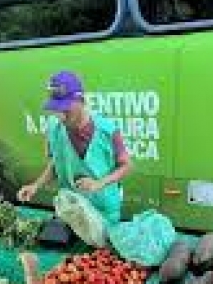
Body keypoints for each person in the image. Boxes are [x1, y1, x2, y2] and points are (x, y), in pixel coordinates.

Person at [17, 71, 132, 225]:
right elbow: (55, 163)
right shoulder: (54, 127)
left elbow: (126, 165)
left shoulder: (107, 130)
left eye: (65, 110)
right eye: (56, 110)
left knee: (103, 246)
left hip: (103, 210)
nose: (61, 116)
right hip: (73, 209)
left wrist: (100, 183)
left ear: (81, 100)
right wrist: (35, 186)